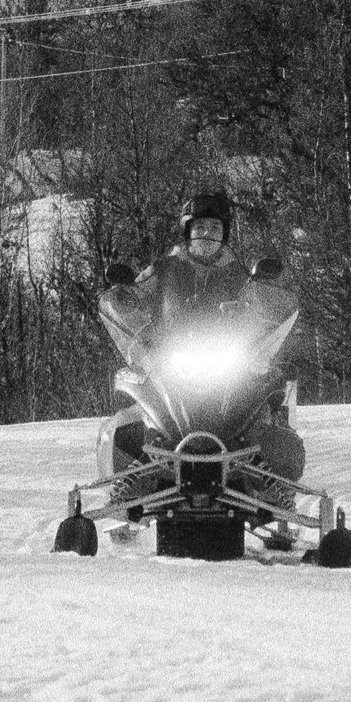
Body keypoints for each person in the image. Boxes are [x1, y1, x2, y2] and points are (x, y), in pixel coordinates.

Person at [95, 190, 307, 490]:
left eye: (215, 229)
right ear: (188, 232)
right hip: (170, 357)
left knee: (263, 401)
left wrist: (254, 313)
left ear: (224, 235)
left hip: (226, 358)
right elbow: (137, 295)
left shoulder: (240, 275)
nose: (207, 235)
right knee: (140, 407)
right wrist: (126, 297)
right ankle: (132, 482)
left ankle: (269, 485)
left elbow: (260, 307)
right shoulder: (163, 269)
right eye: (200, 228)